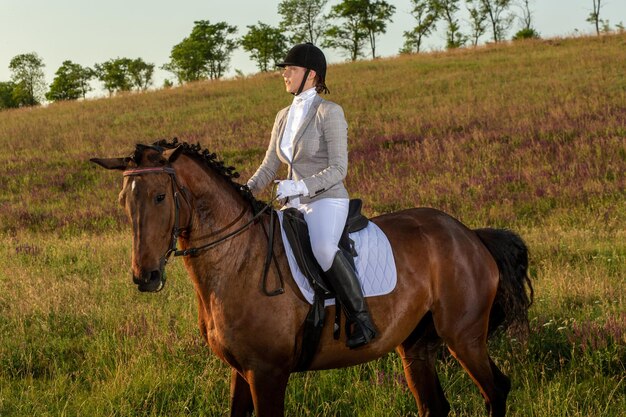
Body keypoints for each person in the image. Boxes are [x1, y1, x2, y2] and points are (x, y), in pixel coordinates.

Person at [246, 43, 377, 349]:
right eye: (284, 70)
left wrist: (302, 187)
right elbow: (269, 166)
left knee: (323, 247)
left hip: (326, 199)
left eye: (290, 69)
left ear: (311, 74)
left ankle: (362, 320)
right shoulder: (282, 116)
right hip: (292, 204)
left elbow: (339, 168)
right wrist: (243, 191)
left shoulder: (329, 112)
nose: (284, 75)